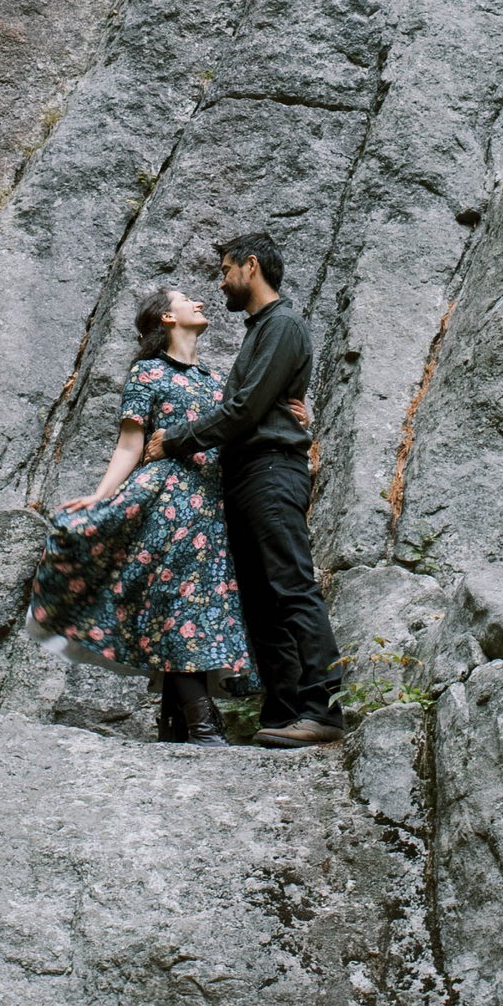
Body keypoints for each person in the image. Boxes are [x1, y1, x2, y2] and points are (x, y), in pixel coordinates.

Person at [27, 287, 252, 744]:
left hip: (211, 504)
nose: (201, 303)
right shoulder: (147, 373)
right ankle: (203, 726)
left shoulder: (215, 380)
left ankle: (174, 725)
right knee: (180, 605)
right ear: (167, 318)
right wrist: (99, 497)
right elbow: (130, 444)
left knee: (190, 608)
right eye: (187, 299)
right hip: (168, 497)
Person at [201, 234, 343, 747]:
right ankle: (283, 712)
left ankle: (323, 710)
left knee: (291, 588)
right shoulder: (262, 328)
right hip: (245, 474)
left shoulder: (282, 325)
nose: (221, 282)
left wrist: (172, 440)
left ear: (250, 265)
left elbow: (244, 411)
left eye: (225, 270)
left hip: (271, 470)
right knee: (262, 603)